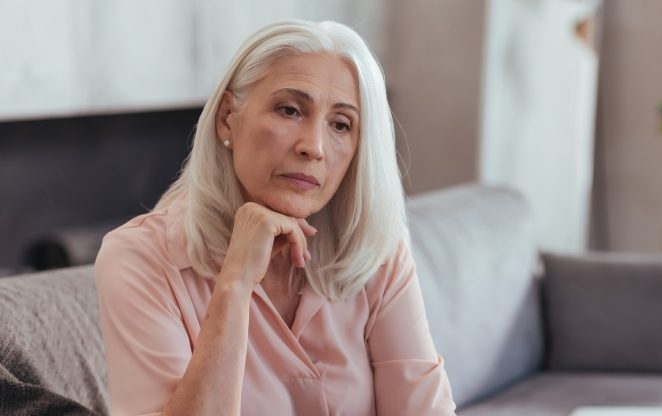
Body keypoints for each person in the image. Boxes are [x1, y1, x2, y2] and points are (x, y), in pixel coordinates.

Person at [95, 19, 456, 416]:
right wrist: (233, 285)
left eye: (340, 124)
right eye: (290, 110)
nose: (314, 147)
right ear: (227, 118)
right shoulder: (138, 260)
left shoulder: (376, 246)